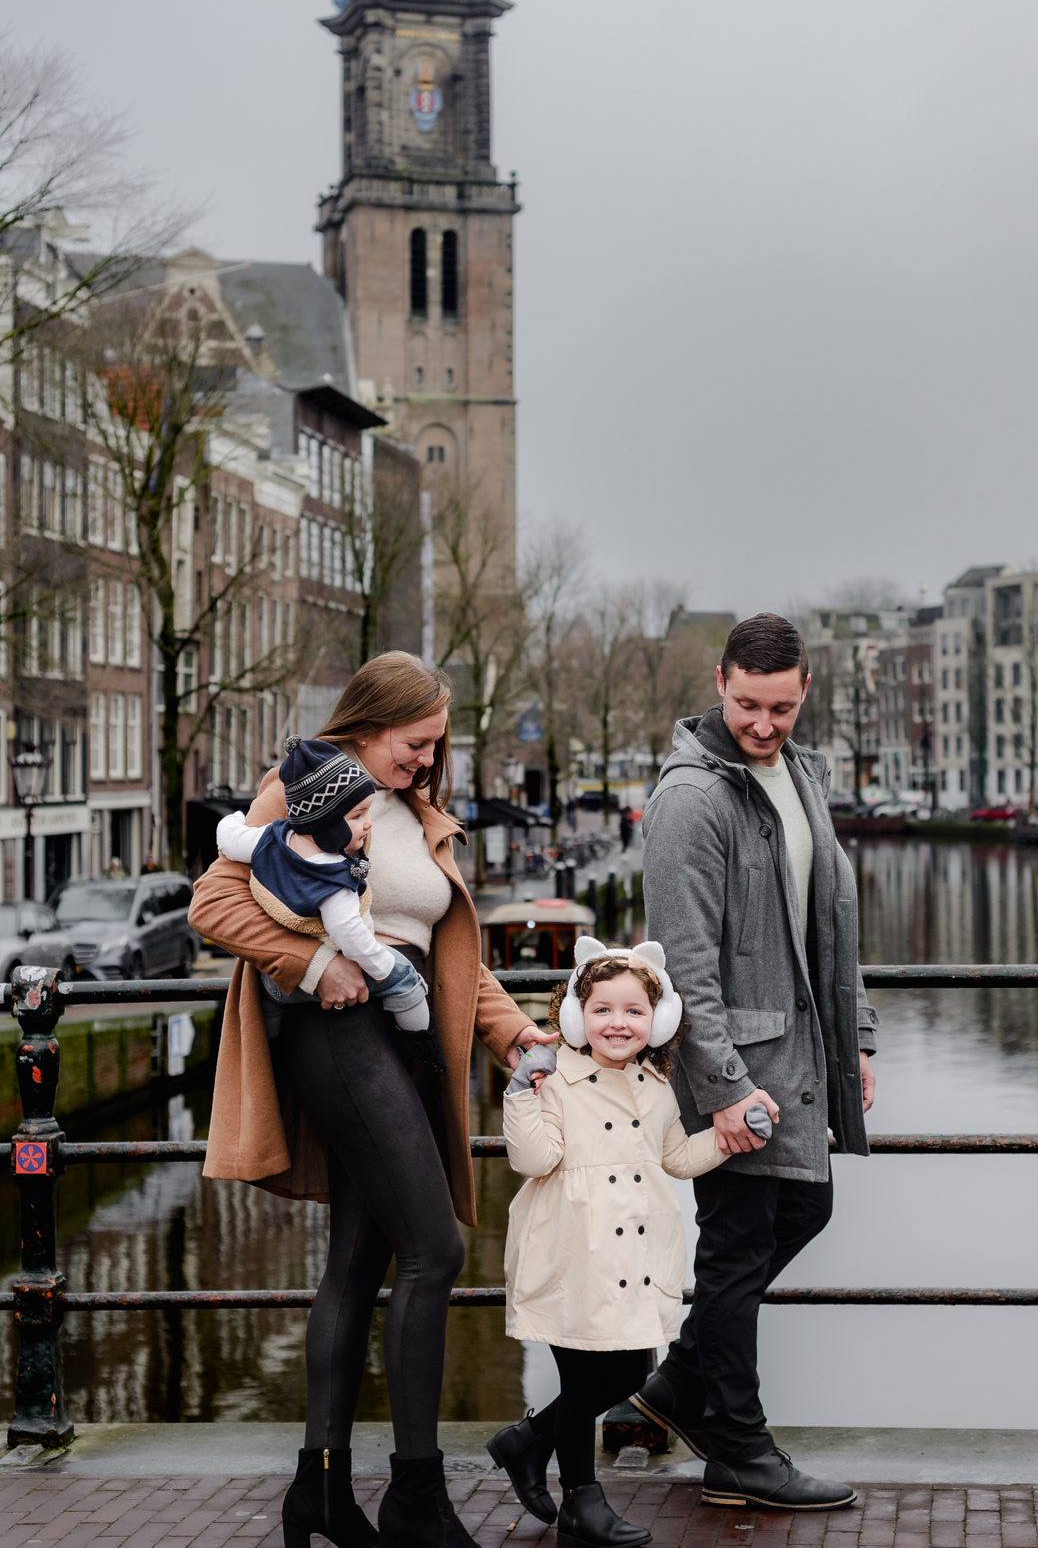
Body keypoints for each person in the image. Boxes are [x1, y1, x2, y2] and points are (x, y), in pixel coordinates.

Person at [191, 652, 556, 1548]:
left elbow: (445, 950)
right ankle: (417, 1497)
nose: (426, 761)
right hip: (340, 1034)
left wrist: (513, 1033)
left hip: (409, 1033)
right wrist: (314, 964)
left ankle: (318, 1492)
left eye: (436, 747)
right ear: (369, 722)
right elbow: (212, 900)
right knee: (432, 1248)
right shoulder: (309, 780)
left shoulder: (419, 811)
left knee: (358, 1264)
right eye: (415, 742)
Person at [630, 613, 879, 1514]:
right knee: (735, 1253)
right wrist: (725, 1092)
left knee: (805, 1206)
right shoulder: (692, 798)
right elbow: (682, 959)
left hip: (804, 1060)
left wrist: (859, 1038)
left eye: (780, 707)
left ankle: (677, 1385)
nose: (763, 725)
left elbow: (833, 922)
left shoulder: (801, 773)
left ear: (805, 688)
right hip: (742, 1073)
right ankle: (738, 1448)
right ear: (720, 682)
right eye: (746, 705)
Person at [488, 939, 728, 1548]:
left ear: (658, 1021)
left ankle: (528, 1442)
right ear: (575, 1015)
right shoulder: (556, 1078)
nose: (617, 1023)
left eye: (633, 1011)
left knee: (628, 1369)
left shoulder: (656, 1087)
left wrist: (729, 1140)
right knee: (583, 1376)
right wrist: (521, 1094)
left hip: (635, 1253)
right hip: (574, 1247)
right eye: (601, 1010)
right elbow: (534, 1158)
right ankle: (581, 1503)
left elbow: (674, 1157)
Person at [215, 736, 430, 1038]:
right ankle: (421, 1039)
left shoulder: (270, 839)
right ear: (326, 823)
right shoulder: (334, 879)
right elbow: (348, 935)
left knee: (272, 1003)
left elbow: (230, 839)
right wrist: (382, 968)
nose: (368, 824)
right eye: (357, 816)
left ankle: (271, 1039)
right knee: (404, 978)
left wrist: (233, 819)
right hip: (324, 969)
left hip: (277, 979)